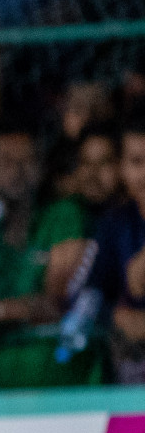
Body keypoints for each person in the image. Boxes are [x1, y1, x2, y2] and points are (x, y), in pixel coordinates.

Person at [0, 125, 95, 388]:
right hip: (5, 383)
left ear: (41, 167)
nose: (17, 172)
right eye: (6, 161)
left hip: (67, 380)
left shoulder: (65, 215)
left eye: (27, 161)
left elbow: (60, 305)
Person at [76, 114, 145, 383]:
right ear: (122, 168)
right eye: (137, 162)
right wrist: (117, 317)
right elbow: (90, 298)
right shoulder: (115, 225)